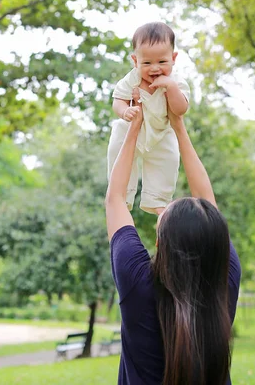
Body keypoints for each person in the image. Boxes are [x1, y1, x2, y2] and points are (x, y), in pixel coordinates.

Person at [106, 104, 241, 385]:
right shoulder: (224, 282)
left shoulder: (138, 282)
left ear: (160, 242)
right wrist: (177, 124)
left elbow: (115, 198)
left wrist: (134, 127)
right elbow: (207, 201)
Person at [107, 22, 190, 214]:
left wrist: (171, 88)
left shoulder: (176, 82)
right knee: (117, 148)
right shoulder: (132, 78)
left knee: (168, 160)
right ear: (135, 61)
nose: (154, 69)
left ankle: (157, 201)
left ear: (173, 58)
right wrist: (124, 112)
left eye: (162, 62)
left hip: (160, 133)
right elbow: (118, 100)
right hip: (130, 131)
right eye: (147, 63)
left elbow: (180, 110)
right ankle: (122, 195)